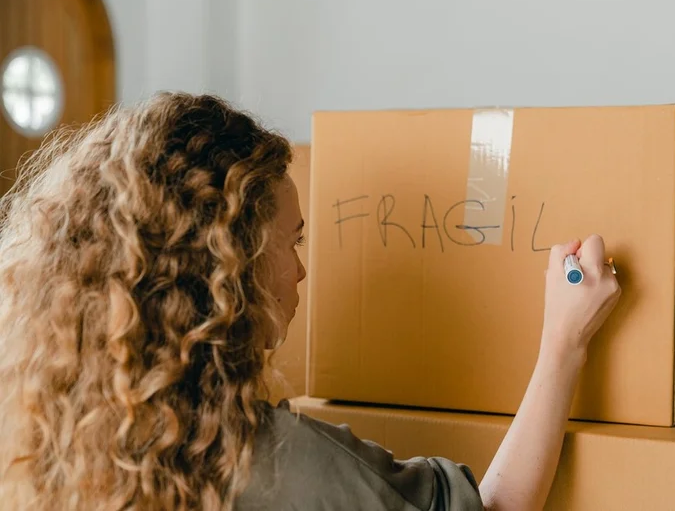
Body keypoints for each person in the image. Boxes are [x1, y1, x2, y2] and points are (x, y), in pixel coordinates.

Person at [0, 92, 621, 511]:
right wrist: (564, 343)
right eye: (291, 243)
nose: (300, 272)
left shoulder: (47, 438)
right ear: (228, 265)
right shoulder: (271, 465)